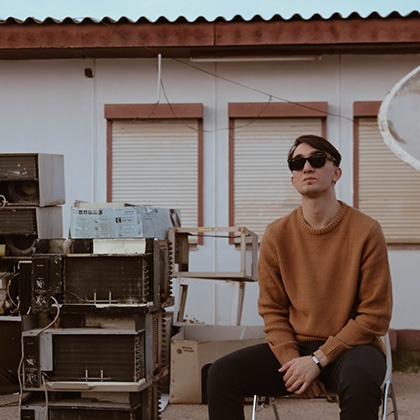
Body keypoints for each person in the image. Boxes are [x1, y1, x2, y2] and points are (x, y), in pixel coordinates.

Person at [207, 134, 393, 420]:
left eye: (317, 160)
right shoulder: (277, 235)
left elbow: (375, 315)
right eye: (297, 163)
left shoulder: (366, 231)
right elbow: (272, 310)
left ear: (336, 173)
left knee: (360, 378)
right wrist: (295, 364)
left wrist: (317, 361)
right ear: (293, 179)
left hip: (353, 349)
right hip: (295, 348)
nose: (307, 167)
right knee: (221, 373)